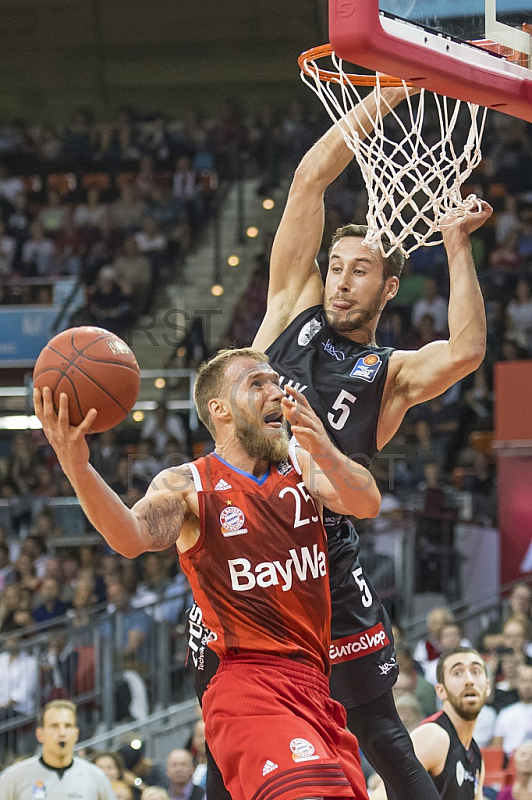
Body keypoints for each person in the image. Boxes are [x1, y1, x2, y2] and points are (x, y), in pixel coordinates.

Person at [190, 85, 492, 800]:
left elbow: (471, 348)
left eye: (361, 270)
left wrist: (454, 247)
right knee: (225, 722)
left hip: (324, 544)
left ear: (390, 288)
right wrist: (387, 92)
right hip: (240, 537)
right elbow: (309, 177)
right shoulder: (289, 308)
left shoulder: (392, 372)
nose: (342, 281)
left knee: (381, 730)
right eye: (338, 266)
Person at [33, 346, 381, 800]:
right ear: (219, 409)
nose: (276, 392)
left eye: (276, 382)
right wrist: (78, 468)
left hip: (317, 685)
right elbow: (131, 536)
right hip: (249, 686)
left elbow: (366, 503)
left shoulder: (302, 463)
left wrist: (321, 446)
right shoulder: (186, 482)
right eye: (258, 384)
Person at [370, 648, 487, 800]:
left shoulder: (476, 756)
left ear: (488, 686)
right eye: (457, 673)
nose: (469, 680)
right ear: (441, 690)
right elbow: (381, 796)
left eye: (476, 671)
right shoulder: (434, 736)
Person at [0, 699, 114, 799]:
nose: (62, 733)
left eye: (68, 726)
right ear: (40, 734)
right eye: (54, 726)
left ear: (76, 734)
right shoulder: (13, 777)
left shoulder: (96, 777)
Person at [492, 664, 532, 756]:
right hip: (510, 761)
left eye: (531, 681)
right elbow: (497, 746)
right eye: (524, 681)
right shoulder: (506, 713)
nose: (528, 686)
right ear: (517, 683)